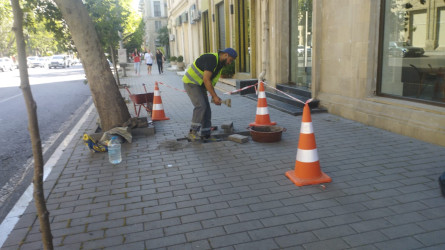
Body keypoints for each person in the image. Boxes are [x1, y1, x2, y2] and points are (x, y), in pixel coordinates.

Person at [182, 48, 237, 141]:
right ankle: (192, 133)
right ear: (225, 55)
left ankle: (206, 135)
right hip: (191, 83)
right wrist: (214, 96)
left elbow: (210, 83)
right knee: (201, 106)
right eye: (230, 60)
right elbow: (206, 79)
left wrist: (214, 97)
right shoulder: (212, 59)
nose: (230, 63)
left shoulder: (219, 65)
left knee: (206, 109)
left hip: (200, 86)